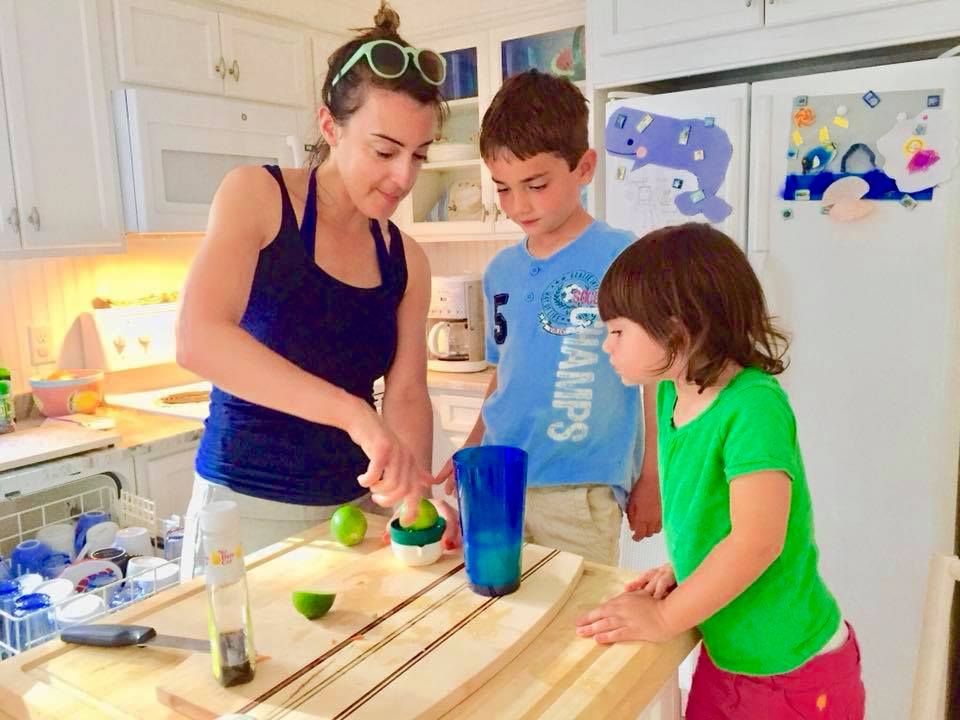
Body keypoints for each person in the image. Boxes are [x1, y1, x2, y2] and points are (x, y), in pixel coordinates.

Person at [175, 1, 458, 578]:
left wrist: (412, 495)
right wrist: (354, 413)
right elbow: (198, 339)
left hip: (355, 515)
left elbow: (405, 396)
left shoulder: (407, 259)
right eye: (384, 150)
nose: (404, 177)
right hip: (245, 508)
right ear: (330, 127)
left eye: (419, 155)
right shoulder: (256, 197)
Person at [576, 223, 865, 718]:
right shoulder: (672, 392)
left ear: (675, 331)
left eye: (618, 331)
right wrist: (683, 571)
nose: (608, 346)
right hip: (726, 656)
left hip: (791, 671)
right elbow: (716, 520)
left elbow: (757, 542)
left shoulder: (753, 406)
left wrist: (666, 617)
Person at [435, 70, 661, 566]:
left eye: (535, 185)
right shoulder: (502, 271)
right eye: (503, 189)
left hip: (580, 490)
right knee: (500, 615)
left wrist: (652, 475)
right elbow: (503, 374)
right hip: (496, 482)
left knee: (572, 631)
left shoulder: (624, 258)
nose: (518, 205)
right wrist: (470, 448)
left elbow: (655, 380)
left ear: (584, 168)